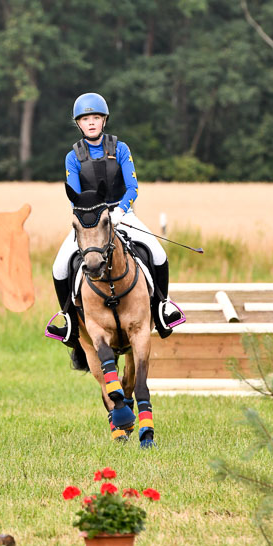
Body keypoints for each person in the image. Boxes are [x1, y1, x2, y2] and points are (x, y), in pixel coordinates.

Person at [47, 92, 182, 369]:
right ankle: (69, 320)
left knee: (157, 253)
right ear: (79, 124)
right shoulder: (72, 156)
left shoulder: (120, 148)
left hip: (122, 214)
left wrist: (119, 211)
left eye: (96, 117)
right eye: (86, 119)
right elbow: (74, 194)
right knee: (60, 266)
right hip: (89, 221)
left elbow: (132, 187)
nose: (91, 123)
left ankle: (163, 307)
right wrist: (95, 216)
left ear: (104, 120)